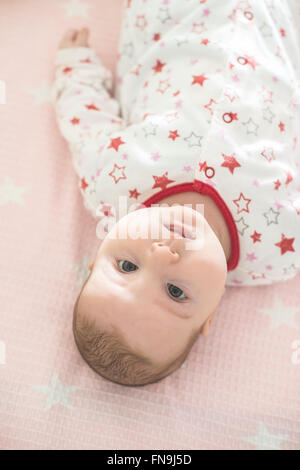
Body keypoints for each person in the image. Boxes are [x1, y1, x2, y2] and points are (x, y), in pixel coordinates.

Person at [51, 0, 300, 386]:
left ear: (98, 254)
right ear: (211, 311)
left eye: (127, 267)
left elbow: (84, 121)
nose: (163, 253)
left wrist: (74, 70)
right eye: (175, 291)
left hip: (172, 14)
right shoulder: (279, 248)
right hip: (278, 22)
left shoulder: (112, 186)